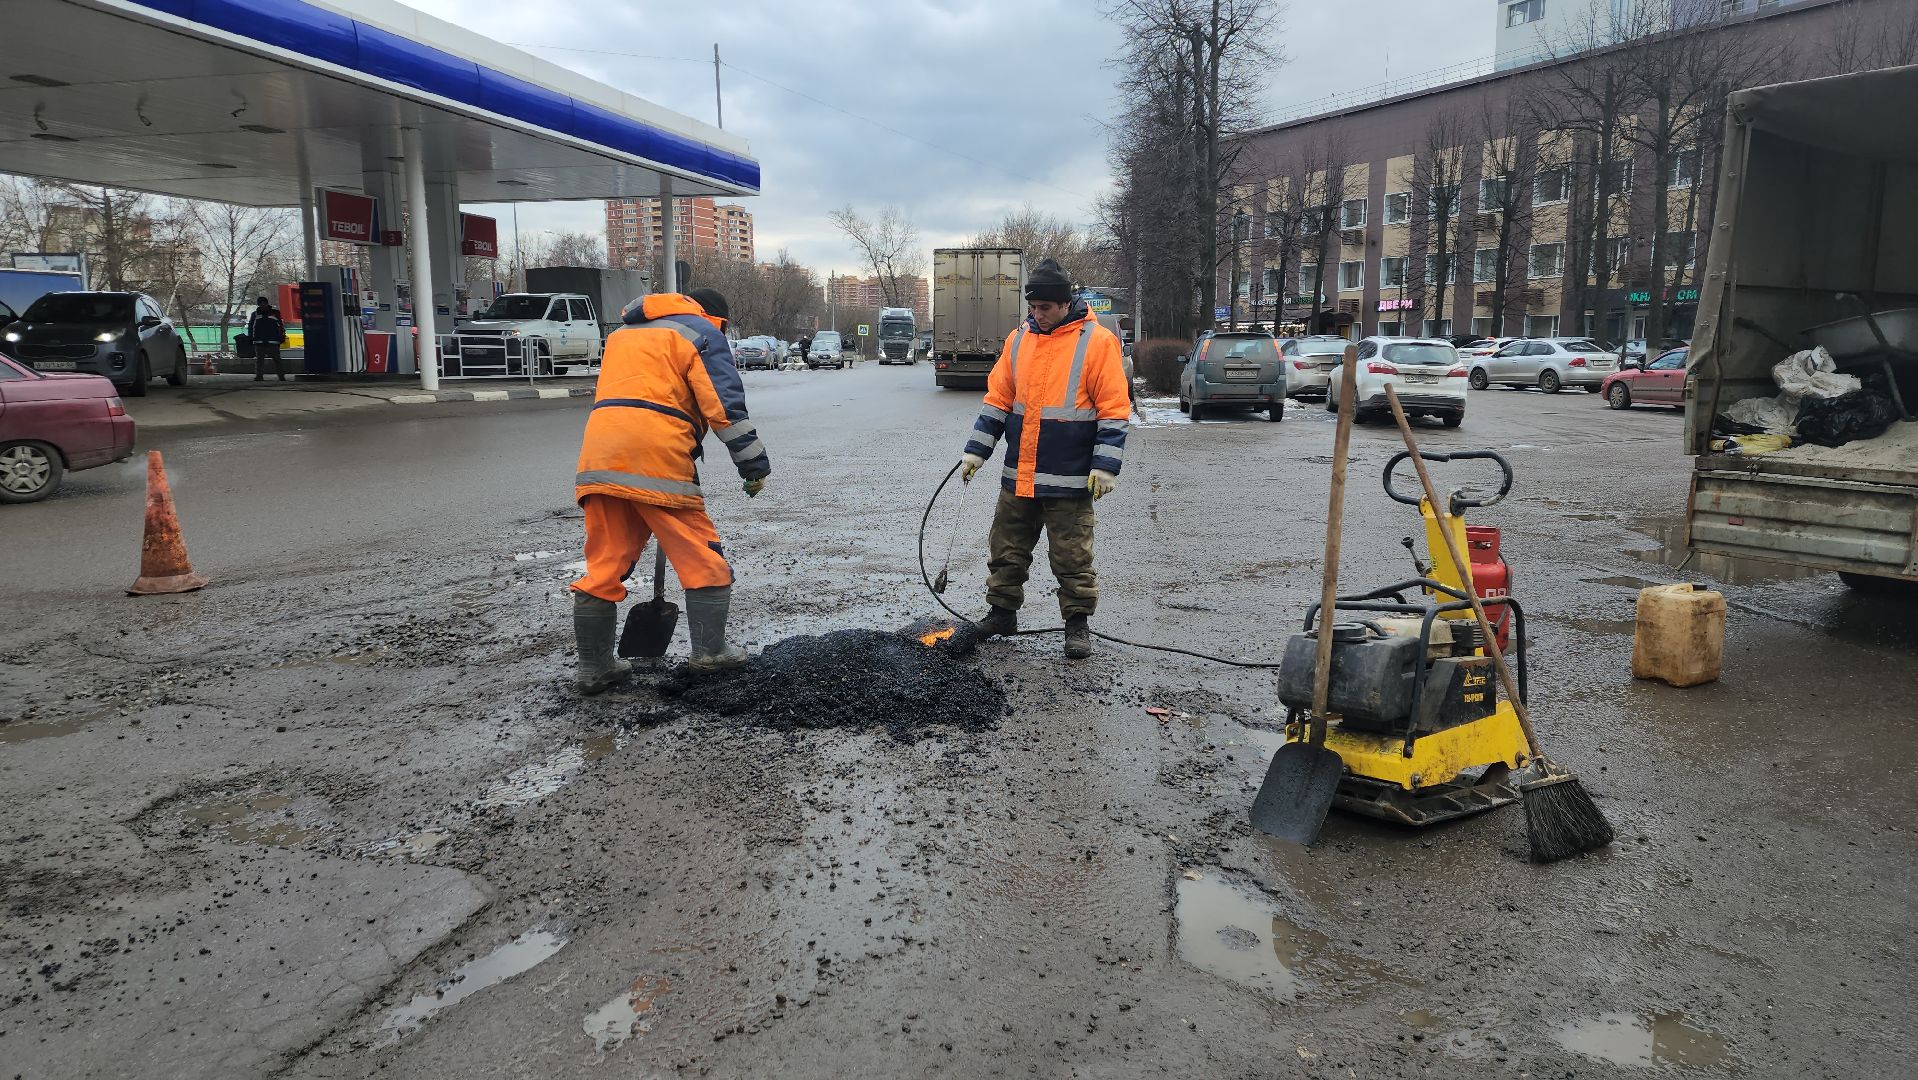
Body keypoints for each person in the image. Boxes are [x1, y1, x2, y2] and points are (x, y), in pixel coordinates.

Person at [569, 287, 771, 694]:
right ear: (719, 321)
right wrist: (752, 464)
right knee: (702, 557)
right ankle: (711, 653)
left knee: (604, 565)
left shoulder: (623, 336)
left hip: (599, 454)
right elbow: (724, 406)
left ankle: (595, 667)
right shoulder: (700, 333)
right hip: (656, 453)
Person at [957, 258, 1130, 660]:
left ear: (1065, 304)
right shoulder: (1018, 340)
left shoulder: (1096, 341)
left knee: (1072, 555)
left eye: (1045, 308)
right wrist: (976, 451)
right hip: (1020, 473)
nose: (1037, 315)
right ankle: (1001, 613)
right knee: (1006, 547)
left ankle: (1077, 625)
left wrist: (1105, 466)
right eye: (1032, 307)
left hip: (1070, 477)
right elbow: (998, 399)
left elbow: (1114, 408)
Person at [246, 297, 288, 382]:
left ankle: (281, 376)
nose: (262, 305)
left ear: (267, 303)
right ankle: (259, 376)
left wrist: (282, 336)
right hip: (260, 341)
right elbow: (250, 327)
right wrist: (250, 338)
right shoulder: (255, 314)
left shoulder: (275, 313)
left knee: (276, 360)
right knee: (260, 360)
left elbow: (281, 326)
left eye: (263, 303)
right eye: (260, 303)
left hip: (273, 341)